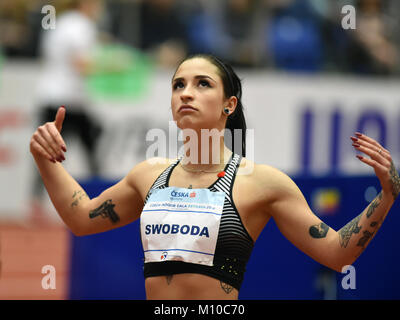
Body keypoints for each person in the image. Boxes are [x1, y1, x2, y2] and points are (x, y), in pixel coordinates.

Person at [30, 53, 400, 300]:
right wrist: (47, 160)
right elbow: (82, 218)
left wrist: (385, 197)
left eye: (202, 84)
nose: (186, 93)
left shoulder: (262, 182)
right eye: (179, 85)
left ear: (229, 104)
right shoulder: (149, 175)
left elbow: (336, 253)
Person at [32, 0, 104, 220]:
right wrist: (113, 64)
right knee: (90, 150)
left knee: (46, 154)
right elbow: (82, 64)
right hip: (68, 101)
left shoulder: (60, 23)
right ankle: (101, 200)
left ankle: (34, 203)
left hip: (52, 96)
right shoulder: (82, 26)